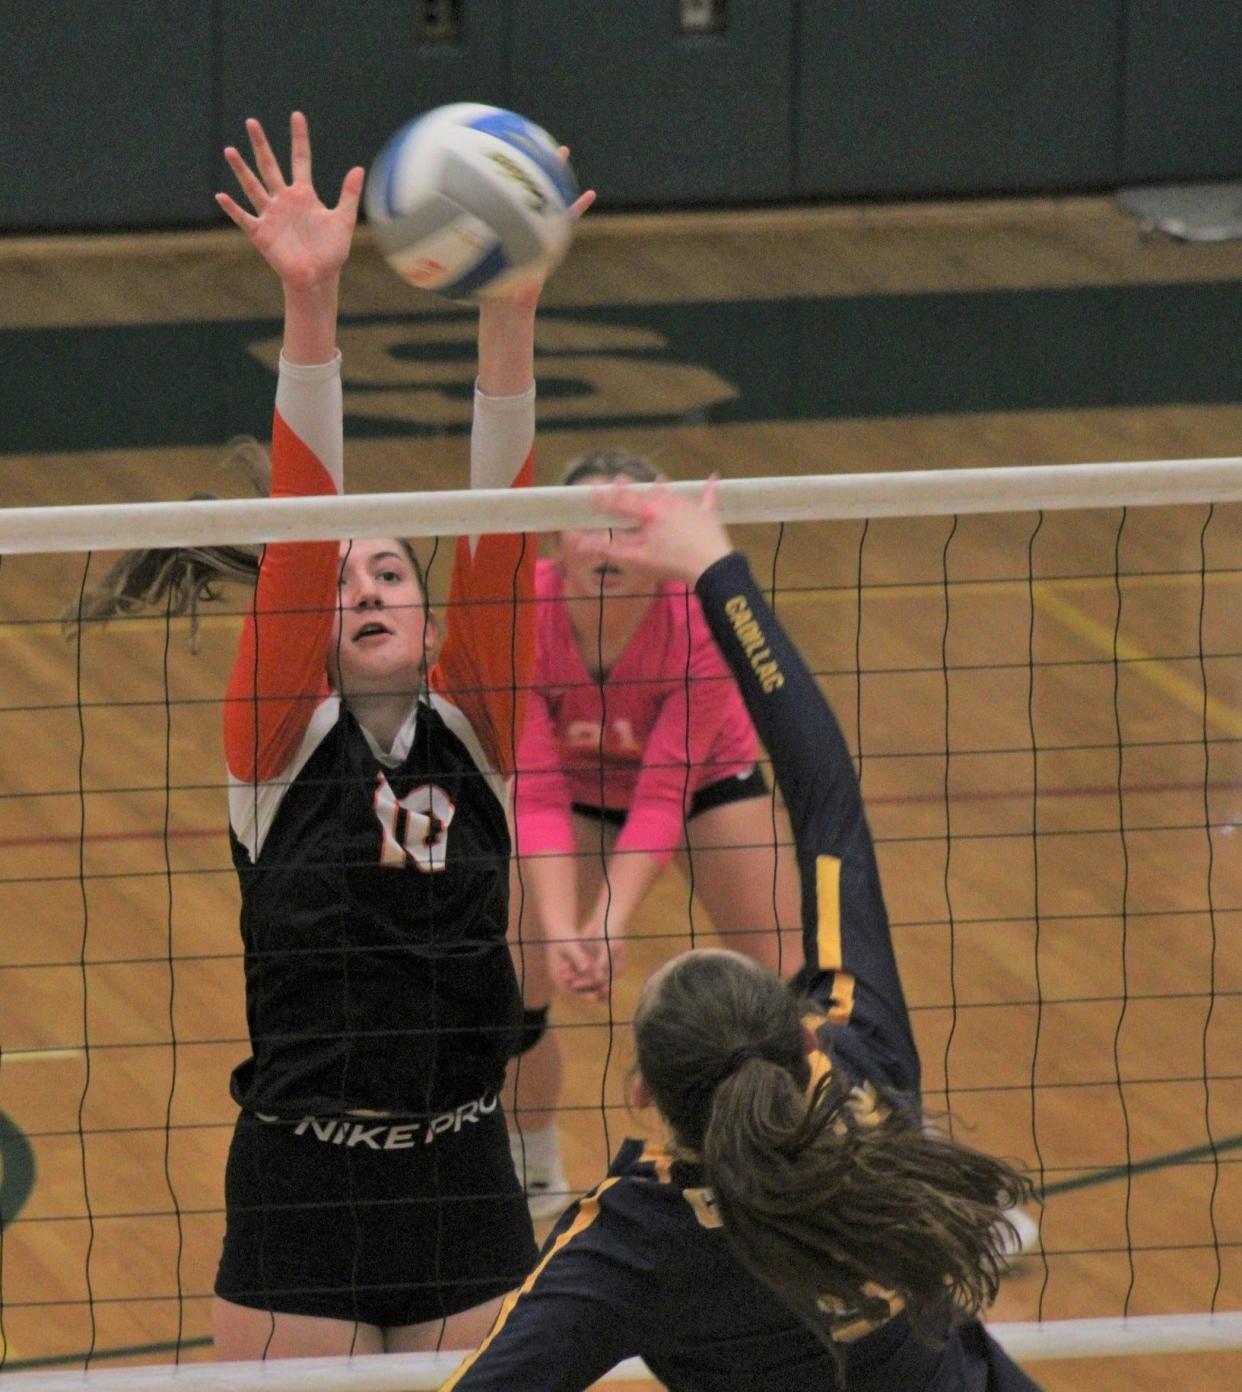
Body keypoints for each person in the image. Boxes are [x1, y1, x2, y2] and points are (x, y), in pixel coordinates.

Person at [79, 112, 593, 1358]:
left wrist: (510, 309)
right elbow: (307, 530)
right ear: (311, 622)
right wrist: (311, 307)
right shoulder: (271, 751)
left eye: (395, 579)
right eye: (349, 583)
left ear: (432, 626)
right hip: (300, 1194)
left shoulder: (473, 724)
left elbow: (498, 519)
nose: (367, 591)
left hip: (465, 1182)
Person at [442, 479, 1041, 1391]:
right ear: (801, 1031)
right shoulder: (862, 1062)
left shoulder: (634, 1242)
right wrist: (721, 570)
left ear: (644, 1092)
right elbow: (827, 792)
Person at [505, 449, 802, 1218]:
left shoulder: (696, 617)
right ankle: (529, 1159)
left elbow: (666, 790)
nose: (605, 545)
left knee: (801, 977)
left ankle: (873, 1139)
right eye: (587, 527)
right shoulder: (518, 613)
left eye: (628, 527)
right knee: (509, 972)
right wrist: (562, 925)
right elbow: (534, 790)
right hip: (570, 789)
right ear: (553, 540)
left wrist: (607, 922)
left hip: (704, 781)